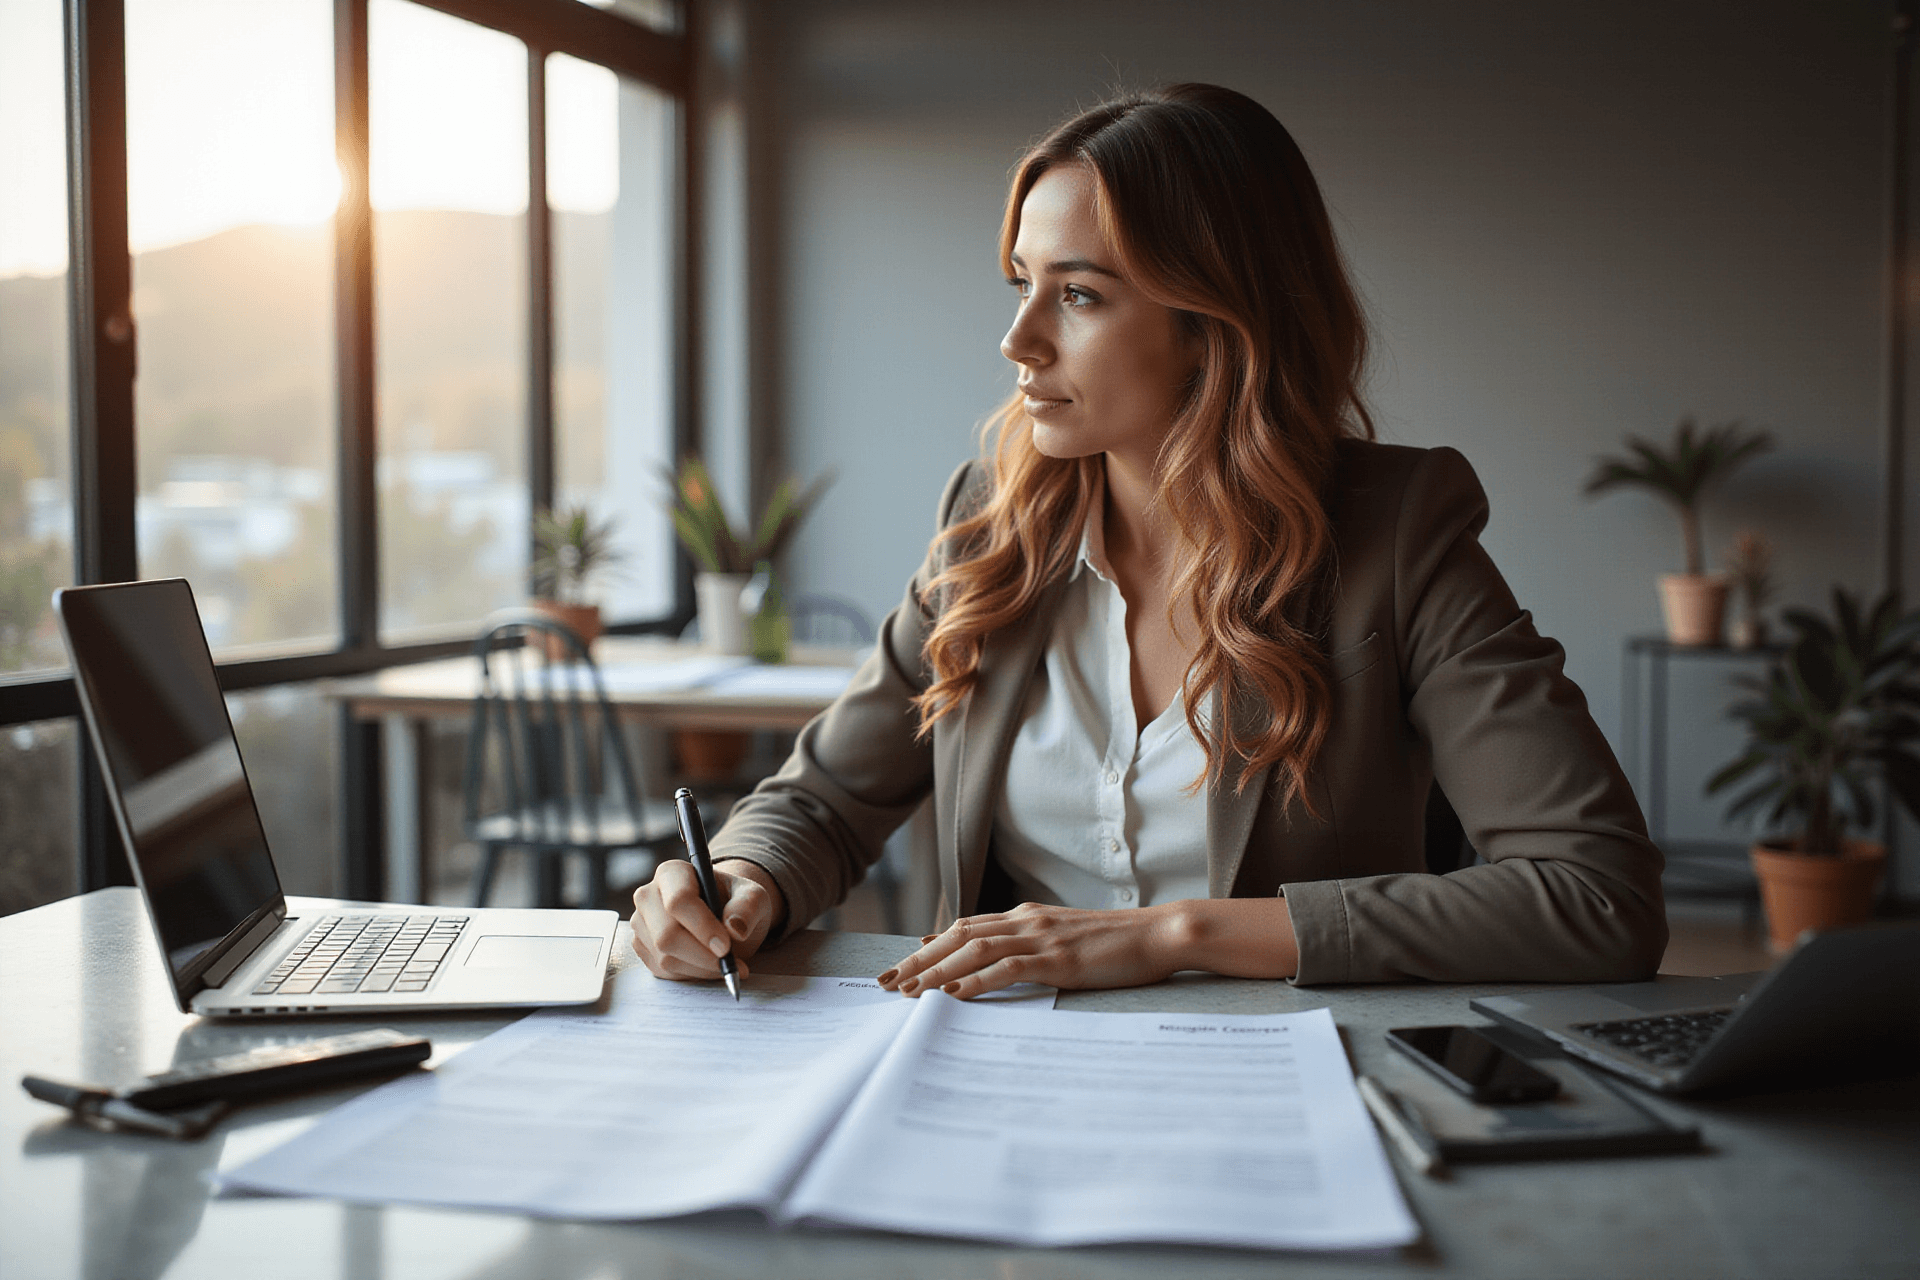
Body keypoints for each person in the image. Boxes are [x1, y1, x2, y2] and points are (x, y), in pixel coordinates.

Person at [632, 83, 1666, 996]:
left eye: (1078, 294)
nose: (1019, 339)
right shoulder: (987, 527)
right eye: (1021, 282)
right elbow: (827, 797)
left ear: (1217, 326)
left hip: (1297, 1083)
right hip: (1000, 1071)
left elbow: (1595, 893)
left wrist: (1171, 935)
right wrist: (741, 879)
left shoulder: (1397, 534)